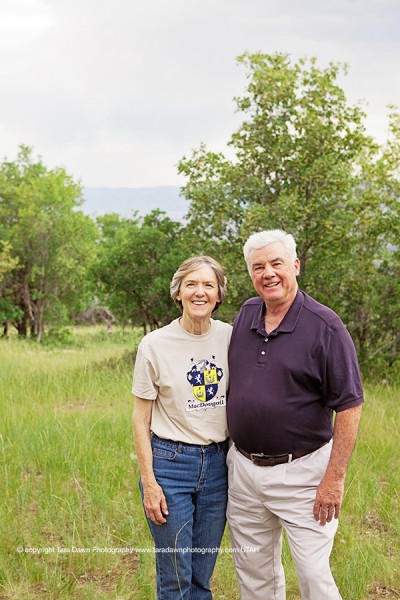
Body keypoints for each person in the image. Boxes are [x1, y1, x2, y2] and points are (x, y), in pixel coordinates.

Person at [226, 229, 363, 600]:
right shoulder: (247, 314)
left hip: (304, 476)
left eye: (276, 264)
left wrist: (334, 478)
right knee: (254, 575)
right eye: (258, 267)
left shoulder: (326, 327)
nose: (268, 273)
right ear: (250, 274)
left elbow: (349, 405)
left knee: (313, 576)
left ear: (295, 266)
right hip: (243, 472)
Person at [132, 256, 232, 600]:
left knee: (202, 576)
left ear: (219, 294)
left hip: (219, 465)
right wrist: (149, 483)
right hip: (170, 465)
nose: (199, 292)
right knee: (175, 577)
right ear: (178, 293)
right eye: (191, 284)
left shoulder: (232, 339)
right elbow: (139, 419)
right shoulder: (154, 344)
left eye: (208, 285)